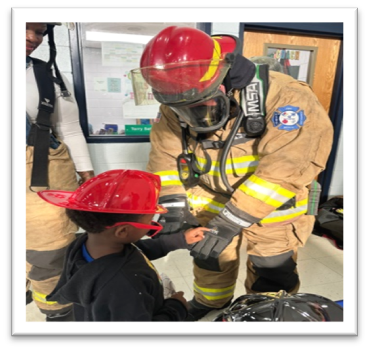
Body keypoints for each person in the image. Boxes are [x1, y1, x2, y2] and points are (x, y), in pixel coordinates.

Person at [131, 26, 334, 321]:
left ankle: (264, 314)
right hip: (209, 199)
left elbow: (286, 170)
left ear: (221, 78)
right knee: (208, 258)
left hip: (272, 207)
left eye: (200, 104)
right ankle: (211, 303)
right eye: (182, 109)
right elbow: (164, 156)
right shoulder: (175, 103)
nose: (192, 115)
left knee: (272, 269)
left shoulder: (285, 96)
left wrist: (231, 221)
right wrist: (174, 208)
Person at [37, 169, 210, 321]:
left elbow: (137, 252)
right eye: (150, 220)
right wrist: (176, 307)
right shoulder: (123, 286)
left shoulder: (90, 245)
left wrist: (180, 239)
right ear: (122, 231)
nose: (152, 223)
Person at [26, 22, 95, 321]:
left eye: (40, 31)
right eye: (24, 28)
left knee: (49, 254)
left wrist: (87, 175)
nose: (32, 37)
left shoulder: (46, 76)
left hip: (42, 176)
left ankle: (56, 312)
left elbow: (68, 127)